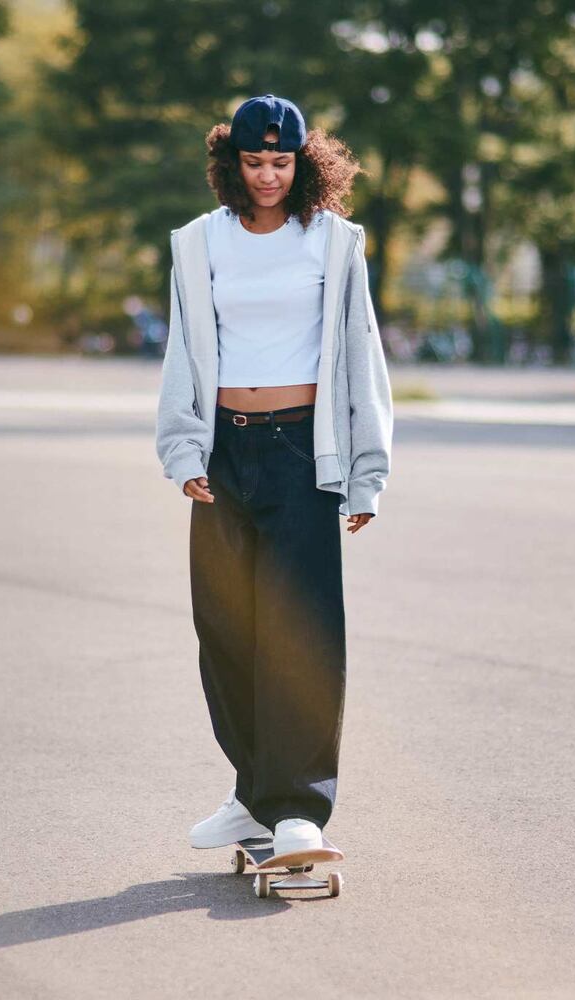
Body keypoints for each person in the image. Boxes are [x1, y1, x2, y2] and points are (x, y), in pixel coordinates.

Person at [153, 93, 394, 863]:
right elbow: (184, 350)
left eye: (280, 162)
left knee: (300, 633)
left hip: (302, 456)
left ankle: (298, 810)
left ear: (304, 164)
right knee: (225, 631)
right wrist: (183, 450)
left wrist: (366, 472)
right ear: (231, 164)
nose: (267, 176)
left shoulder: (333, 242)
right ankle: (254, 793)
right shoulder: (199, 242)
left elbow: (361, 355)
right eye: (254, 162)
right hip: (224, 453)